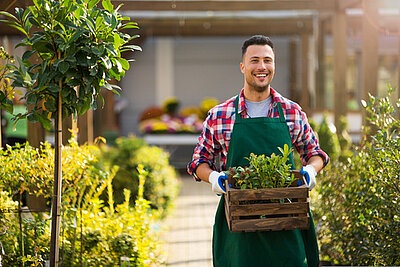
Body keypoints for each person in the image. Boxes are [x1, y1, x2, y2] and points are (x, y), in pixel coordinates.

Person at [187, 35, 329, 267]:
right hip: (238, 224)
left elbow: (315, 153)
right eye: (254, 60)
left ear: (274, 66)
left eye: (267, 60)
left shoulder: (291, 111)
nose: (261, 67)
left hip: (287, 219)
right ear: (242, 67)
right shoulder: (220, 115)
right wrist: (213, 176)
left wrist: (311, 171)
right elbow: (198, 161)